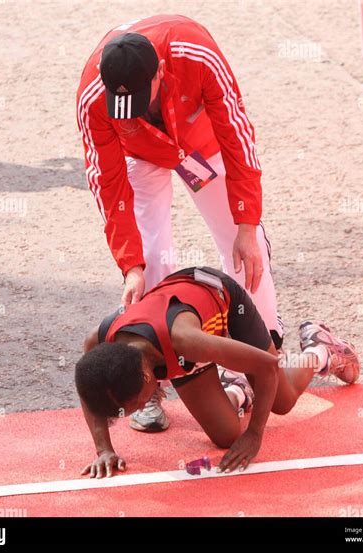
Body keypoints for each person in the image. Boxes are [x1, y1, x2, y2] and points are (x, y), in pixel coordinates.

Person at [76, 14, 284, 432]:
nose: (130, 108)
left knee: (246, 249)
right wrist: (130, 263)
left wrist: (245, 224)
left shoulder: (195, 53)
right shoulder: (94, 97)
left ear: (159, 74)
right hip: (139, 152)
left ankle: (264, 354)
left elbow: (237, 136)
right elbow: (109, 184)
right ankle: (147, 386)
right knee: (150, 262)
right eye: (123, 104)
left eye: (139, 97)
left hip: (201, 144)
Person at [75, 266, 360, 477]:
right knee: (226, 437)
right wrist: (105, 450)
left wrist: (255, 434)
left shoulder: (187, 341)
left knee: (280, 402)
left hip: (223, 301)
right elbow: (89, 386)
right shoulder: (99, 342)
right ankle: (238, 384)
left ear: (149, 377)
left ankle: (320, 349)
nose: (136, 410)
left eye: (135, 403)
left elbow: (267, 365)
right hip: (176, 338)